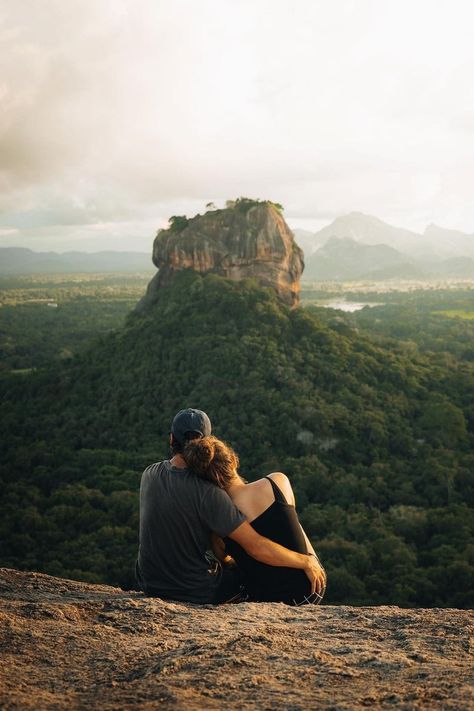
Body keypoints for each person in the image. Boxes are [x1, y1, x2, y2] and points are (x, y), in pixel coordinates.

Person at [136, 408, 325, 605]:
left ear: (171, 439)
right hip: (194, 590)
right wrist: (306, 561)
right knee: (240, 573)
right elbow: (256, 546)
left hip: (148, 582)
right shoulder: (209, 493)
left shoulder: (149, 473)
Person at [184, 435, 326, 605]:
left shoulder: (219, 525)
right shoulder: (277, 481)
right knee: (288, 519)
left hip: (269, 599)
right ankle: (310, 562)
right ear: (233, 461)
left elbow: (226, 559)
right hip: (311, 588)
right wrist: (307, 561)